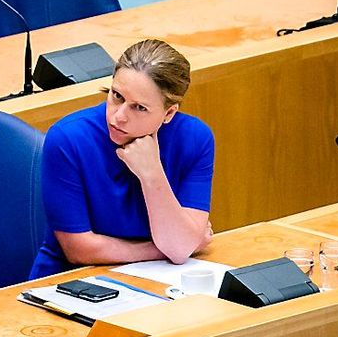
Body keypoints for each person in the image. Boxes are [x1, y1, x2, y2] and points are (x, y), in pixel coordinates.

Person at [29, 39, 214, 279]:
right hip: (71, 281)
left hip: (157, 281)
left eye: (139, 108)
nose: (119, 116)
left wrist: (151, 173)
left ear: (169, 113)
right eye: (117, 96)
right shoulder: (68, 139)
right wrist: (159, 251)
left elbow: (178, 250)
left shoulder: (195, 139)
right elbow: (79, 249)